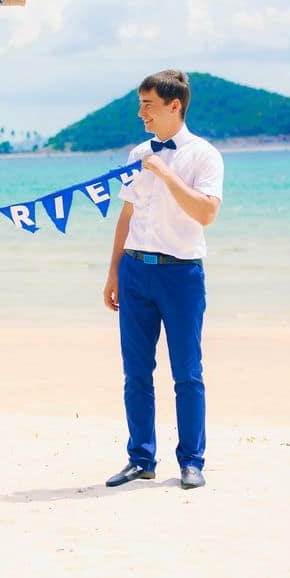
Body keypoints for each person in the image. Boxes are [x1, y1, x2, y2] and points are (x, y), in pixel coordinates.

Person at [102, 70, 224, 490]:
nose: (141, 113)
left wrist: (165, 173)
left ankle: (191, 461)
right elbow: (127, 214)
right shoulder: (137, 153)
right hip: (135, 271)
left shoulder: (204, 156)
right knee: (135, 373)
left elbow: (206, 213)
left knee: (187, 373)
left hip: (181, 274)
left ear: (175, 105)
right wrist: (114, 271)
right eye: (140, 104)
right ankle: (141, 459)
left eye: (148, 105)